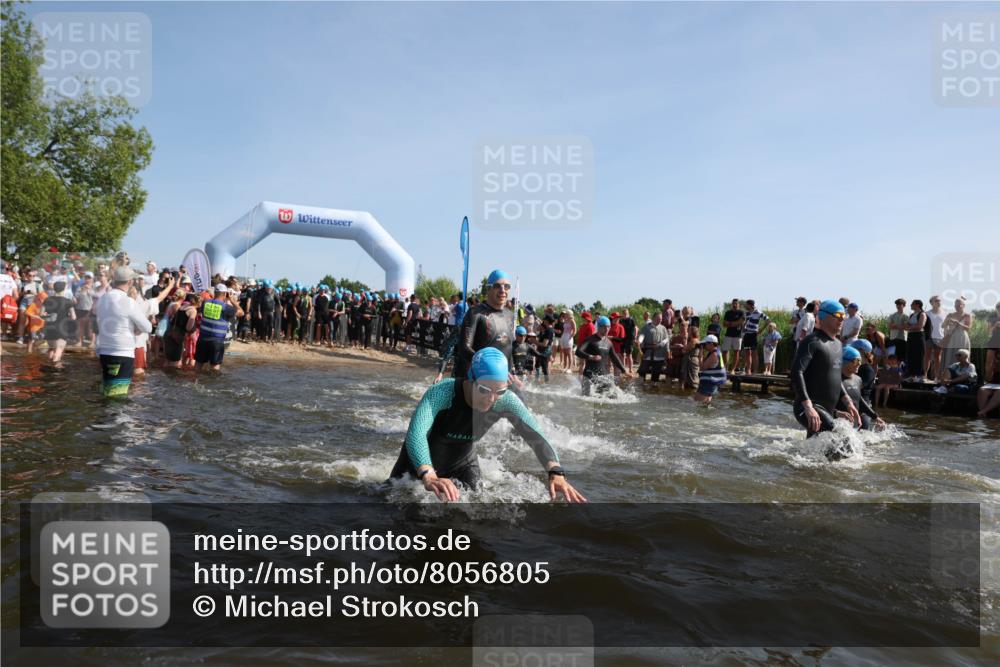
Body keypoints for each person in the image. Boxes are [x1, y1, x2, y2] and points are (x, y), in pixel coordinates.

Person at [389, 348, 586, 502]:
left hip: (463, 463)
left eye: (499, 391)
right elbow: (416, 434)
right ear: (471, 379)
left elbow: (535, 435)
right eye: (484, 389)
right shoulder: (442, 392)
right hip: (417, 466)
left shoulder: (505, 400)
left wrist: (556, 471)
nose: (491, 399)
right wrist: (428, 475)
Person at [789, 300, 861, 460]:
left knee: (818, 455)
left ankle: (806, 476)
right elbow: (796, 372)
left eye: (844, 315)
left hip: (827, 409)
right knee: (844, 440)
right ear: (823, 317)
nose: (842, 319)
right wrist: (807, 406)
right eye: (838, 315)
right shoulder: (812, 341)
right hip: (808, 406)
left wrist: (848, 402)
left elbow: (834, 377)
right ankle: (849, 477)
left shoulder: (838, 344)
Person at [94, 266, 152, 397]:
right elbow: (147, 327)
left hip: (104, 351)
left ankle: (106, 416)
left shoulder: (103, 299)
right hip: (122, 353)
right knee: (118, 396)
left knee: (107, 391)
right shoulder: (128, 302)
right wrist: (135, 328)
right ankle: (117, 417)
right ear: (130, 282)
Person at [452, 270, 516, 380]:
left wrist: (513, 373)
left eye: (507, 286)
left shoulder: (509, 315)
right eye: (497, 286)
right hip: (476, 380)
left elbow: (508, 349)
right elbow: (464, 348)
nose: (503, 290)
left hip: (501, 380)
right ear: (488, 289)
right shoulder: (475, 313)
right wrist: (492, 368)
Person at [575, 316, 631, 396]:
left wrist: (624, 371)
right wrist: (591, 357)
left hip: (603, 377)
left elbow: (615, 358)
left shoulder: (609, 343)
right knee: (585, 399)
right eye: (604, 327)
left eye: (608, 327)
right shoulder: (590, 339)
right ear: (599, 327)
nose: (607, 329)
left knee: (613, 396)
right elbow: (578, 351)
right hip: (589, 376)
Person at [196, 284, 243, 371]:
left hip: (202, 338)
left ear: (215, 292)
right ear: (225, 294)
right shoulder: (226, 307)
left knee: (198, 364)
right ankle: (213, 384)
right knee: (215, 366)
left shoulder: (206, 303)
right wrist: (232, 300)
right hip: (216, 341)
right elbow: (241, 312)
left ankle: (195, 381)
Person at [838, 346, 884, 431]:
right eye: (856, 361)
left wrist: (875, 416)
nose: (859, 364)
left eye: (860, 361)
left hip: (854, 423)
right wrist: (837, 413)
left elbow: (859, 400)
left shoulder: (858, 379)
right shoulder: (835, 380)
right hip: (838, 423)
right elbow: (824, 405)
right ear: (844, 361)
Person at [41, 281, 76, 363]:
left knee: (51, 349)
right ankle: (55, 369)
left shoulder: (47, 300)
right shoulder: (68, 301)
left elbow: (41, 314)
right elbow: (73, 317)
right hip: (61, 328)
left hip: (49, 327)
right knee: (59, 349)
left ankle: (49, 367)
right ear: (63, 290)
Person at [940, 297, 973, 382]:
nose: (957, 306)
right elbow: (943, 326)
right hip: (951, 338)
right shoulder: (950, 314)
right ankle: (946, 379)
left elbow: (968, 328)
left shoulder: (967, 315)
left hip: (962, 338)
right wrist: (947, 321)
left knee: (962, 357)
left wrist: (958, 324)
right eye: (955, 305)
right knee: (949, 357)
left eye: (959, 305)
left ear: (963, 305)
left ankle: (961, 379)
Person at [693, 334, 726, 404]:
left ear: (711, 344)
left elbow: (702, 367)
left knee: (697, 402)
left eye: (705, 344)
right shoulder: (714, 353)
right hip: (710, 382)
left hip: (710, 382)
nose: (704, 346)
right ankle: (708, 415)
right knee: (705, 404)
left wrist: (701, 353)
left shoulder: (714, 355)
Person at [737, 299, 768, 374]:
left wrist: (761, 330)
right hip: (746, 334)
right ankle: (748, 369)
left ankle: (755, 370)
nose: (745, 306)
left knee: (754, 352)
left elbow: (768, 321)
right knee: (748, 352)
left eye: (746, 305)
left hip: (753, 334)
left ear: (750, 305)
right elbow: (744, 321)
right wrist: (743, 327)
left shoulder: (758, 312)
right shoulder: (746, 313)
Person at [637, 312, 669, 382]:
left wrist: (667, 350)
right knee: (643, 370)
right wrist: (640, 343)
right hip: (647, 352)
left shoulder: (663, 328)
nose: (660, 320)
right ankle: (641, 385)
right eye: (658, 319)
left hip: (659, 353)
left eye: (661, 319)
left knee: (656, 372)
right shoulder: (646, 327)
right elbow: (641, 337)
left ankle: (654, 386)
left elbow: (666, 340)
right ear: (653, 318)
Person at [904, 299, 927, 381]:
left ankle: (920, 375)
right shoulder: (911, 315)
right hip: (911, 336)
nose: (910, 305)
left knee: (919, 355)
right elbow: (906, 326)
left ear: (917, 305)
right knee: (911, 355)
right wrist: (911, 327)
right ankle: (912, 375)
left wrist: (910, 327)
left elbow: (920, 326)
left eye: (912, 304)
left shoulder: (922, 314)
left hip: (918, 336)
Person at [925, 295, 946, 380]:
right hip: (929, 338)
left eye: (939, 300)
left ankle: (937, 377)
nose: (939, 302)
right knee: (927, 357)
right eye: (936, 300)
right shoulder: (927, 314)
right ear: (931, 303)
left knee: (938, 358)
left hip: (940, 338)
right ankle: (925, 375)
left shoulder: (945, 314)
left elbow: (946, 327)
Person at [722, 299, 744, 373]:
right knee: (725, 351)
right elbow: (724, 323)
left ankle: (733, 369)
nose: (734, 305)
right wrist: (735, 323)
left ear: (739, 305)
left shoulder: (741, 313)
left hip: (738, 335)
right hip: (728, 334)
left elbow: (741, 322)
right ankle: (725, 368)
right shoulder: (728, 312)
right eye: (733, 304)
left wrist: (730, 323)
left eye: (736, 304)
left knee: (736, 352)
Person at [985, 302, 1000, 384]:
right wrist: (995, 326)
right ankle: (988, 380)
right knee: (989, 362)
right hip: (993, 341)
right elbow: (988, 331)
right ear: (996, 309)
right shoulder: (992, 318)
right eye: (998, 308)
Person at [619, 308, 637, 373]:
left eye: (626, 313)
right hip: (622, 339)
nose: (625, 315)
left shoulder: (631, 320)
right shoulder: (621, 320)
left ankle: (630, 369)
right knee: (622, 354)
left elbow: (636, 328)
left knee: (629, 355)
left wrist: (635, 337)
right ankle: (623, 368)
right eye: (624, 313)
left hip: (630, 339)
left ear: (628, 313)